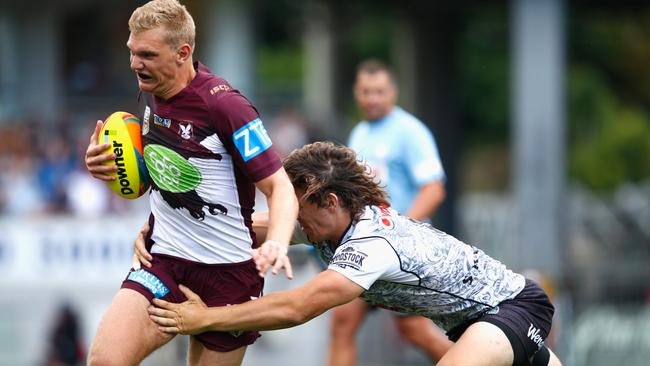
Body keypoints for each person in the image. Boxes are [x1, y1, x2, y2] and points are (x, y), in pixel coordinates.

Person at [145, 142, 563, 366]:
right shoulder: (333, 220)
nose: (292, 220)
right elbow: (237, 226)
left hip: (510, 308)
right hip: (472, 321)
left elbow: (297, 307)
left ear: (329, 201)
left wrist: (205, 319)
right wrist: (155, 231)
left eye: (299, 210)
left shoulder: (370, 245)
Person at [83, 1, 298, 365]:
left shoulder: (228, 107)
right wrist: (107, 168)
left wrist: (276, 242)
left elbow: (280, 187)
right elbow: (168, 171)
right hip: (163, 260)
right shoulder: (152, 87)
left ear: (183, 53)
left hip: (227, 277)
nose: (135, 63)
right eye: (132, 52)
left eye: (147, 54)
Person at [334, 58, 450, 365]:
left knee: (414, 331)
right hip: (365, 246)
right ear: (356, 93)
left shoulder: (410, 132)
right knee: (343, 323)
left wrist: (400, 228)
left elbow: (434, 188)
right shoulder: (359, 133)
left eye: (379, 91)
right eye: (365, 91)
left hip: (401, 250)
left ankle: (484, 359)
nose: (372, 98)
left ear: (393, 93)